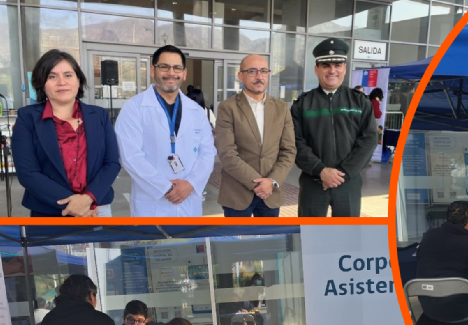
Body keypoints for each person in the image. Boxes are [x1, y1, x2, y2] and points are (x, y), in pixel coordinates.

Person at [12, 49, 121, 217]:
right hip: (49, 211)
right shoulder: (27, 118)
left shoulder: (99, 115)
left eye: (68, 75)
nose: (62, 82)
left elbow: (111, 163)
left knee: (99, 244)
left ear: (79, 80)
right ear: (42, 83)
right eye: (52, 76)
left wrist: (88, 198)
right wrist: (74, 205)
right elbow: (28, 173)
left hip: (96, 208)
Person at [115, 45, 216, 217]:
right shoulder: (134, 108)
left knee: (190, 243)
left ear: (184, 73)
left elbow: (207, 153)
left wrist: (191, 184)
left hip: (189, 201)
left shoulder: (197, 111)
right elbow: (130, 156)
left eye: (177, 68)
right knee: (154, 243)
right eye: (164, 67)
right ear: (153, 70)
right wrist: (165, 187)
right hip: (151, 204)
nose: (171, 73)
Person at [291, 38, 377, 217]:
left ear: (344, 69)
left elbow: (369, 139)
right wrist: (321, 170)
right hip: (313, 182)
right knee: (312, 236)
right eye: (326, 65)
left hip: (348, 183)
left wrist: (342, 173)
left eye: (337, 65)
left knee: (347, 237)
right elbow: (294, 142)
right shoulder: (303, 104)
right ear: (317, 69)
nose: (332, 70)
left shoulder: (359, 101)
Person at [214, 54, 296, 217]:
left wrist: (271, 182)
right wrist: (258, 184)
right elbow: (226, 153)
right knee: (235, 242)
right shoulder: (227, 108)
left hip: (271, 194)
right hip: (237, 193)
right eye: (252, 71)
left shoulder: (282, 108)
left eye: (263, 71)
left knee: (270, 241)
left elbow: (288, 151)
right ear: (240, 76)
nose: (259, 76)